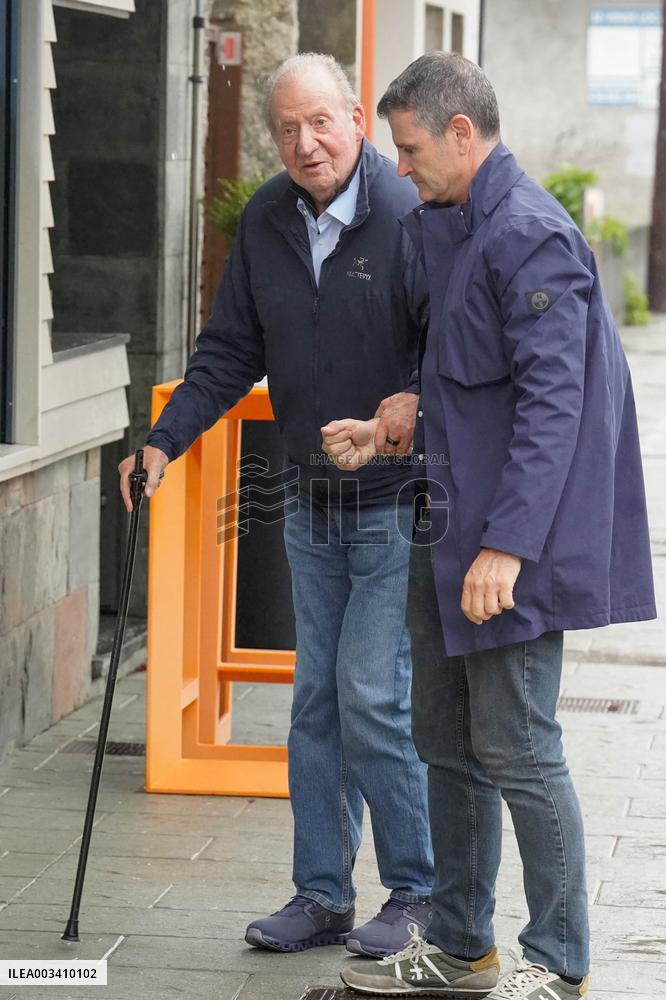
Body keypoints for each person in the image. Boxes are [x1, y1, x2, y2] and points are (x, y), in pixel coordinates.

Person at [324, 52, 656, 999]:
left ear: (462, 133)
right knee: (446, 741)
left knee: (518, 747)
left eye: (410, 146)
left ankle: (559, 964)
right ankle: (465, 947)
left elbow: (557, 409)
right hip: (450, 532)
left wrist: (506, 546)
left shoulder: (530, 235)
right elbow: (472, 376)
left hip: (512, 545)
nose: (400, 165)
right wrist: (401, 412)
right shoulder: (449, 223)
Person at [118, 53, 434, 957]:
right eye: (287, 128)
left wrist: (402, 414)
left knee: (373, 697)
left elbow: (450, 351)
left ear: (356, 122)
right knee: (315, 706)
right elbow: (226, 350)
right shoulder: (266, 217)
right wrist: (163, 441)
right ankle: (324, 895)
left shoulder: (409, 214)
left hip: (399, 501)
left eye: (320, 122)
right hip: (307, 500)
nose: (304, 143)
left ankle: (417, 895)